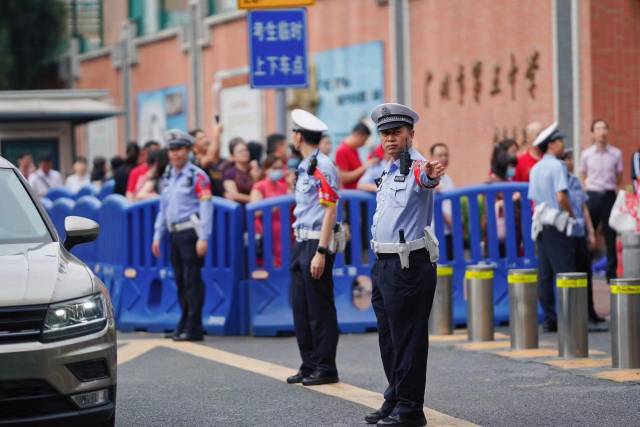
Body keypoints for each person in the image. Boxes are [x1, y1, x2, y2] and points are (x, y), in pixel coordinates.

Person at [366, 103, 445, 427]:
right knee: (389, 336)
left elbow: (425, 179)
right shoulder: (386, 170)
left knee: (408, 337)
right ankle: (396, 396)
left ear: (410, 134)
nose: (390, 139)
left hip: (408, 264)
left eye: (396, 132)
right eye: (385, 134)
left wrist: (429, 175)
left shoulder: (415, 165)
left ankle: (411, 409)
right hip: (384, 263)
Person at [285, 109, 340, 387]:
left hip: (316, 242)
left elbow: (329, 210)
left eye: (293, 132)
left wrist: (320, 251)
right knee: (301, 307)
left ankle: (326, 366)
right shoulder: (305, 164)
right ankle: (309, 364)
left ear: (299, 136)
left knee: (319, 308)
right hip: (301, 240)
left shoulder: (323, 166)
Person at [151, 130, 213, 342]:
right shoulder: (168, 176)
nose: (174, 154)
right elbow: (163, 208)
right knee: (180, 280)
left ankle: (194, 327)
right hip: (174, 233)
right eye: (171, 150)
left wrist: (203, 237)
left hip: (190, 233)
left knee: (192, 281)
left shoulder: (197, 176)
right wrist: (157, 235)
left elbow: (206, 208)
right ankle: (185, 322)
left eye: (179, 149)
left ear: (188, 150)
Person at [528, 122, 575, 333]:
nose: (563, 145)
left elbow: (534, 199)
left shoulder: (535, 168)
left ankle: (549, 319)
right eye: (560, 141)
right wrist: (571, 215)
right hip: (557, 222)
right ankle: (570, 318)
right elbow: (561, 196)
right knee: (565, 271)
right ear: (552, 145)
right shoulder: (558, 166)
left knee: (545, 274)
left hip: (541, 223)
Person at [562, 149, 605, 327]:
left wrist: (591, 232)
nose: (570, 162)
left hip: (580, 232)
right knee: (571, 274)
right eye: (567, 159)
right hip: (566, 234)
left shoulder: (575, 181)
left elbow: (584, 207)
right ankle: (575, 316)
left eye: (572, 158)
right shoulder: (558, 182)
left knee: (586, 272)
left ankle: (591, 312)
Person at [580, 119, 623, 282]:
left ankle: (611, 274)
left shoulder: (616, 153)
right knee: (589, 234)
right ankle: (586, 270)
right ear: (592, 132)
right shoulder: (586, 154)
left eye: (605, 128)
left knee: (610, 235)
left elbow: (618, 176)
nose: (602, 132)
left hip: (609, 195)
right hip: (592, 195)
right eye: (598, 128)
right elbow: (583, 174)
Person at [250, 155, 290, 267]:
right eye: (274, 167)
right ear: (266, 169)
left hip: (283, 232)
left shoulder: (283, 186)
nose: (277, 171)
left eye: (280, 168)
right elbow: (254, 211)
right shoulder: (259, 186)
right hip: (267, 233)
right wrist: (273, 208)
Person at [430, 143, 455, 260]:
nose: (444, 158)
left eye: (446, 155)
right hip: (433, 233)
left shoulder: (448, 179)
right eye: (440, 155)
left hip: (448, 233)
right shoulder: (428, 179)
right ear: (432, 158)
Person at [335, 122, 378, 189]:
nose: (364, 143)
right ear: (358, 135)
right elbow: (343, 178)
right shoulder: (342, 151)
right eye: (364, 140)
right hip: (351, 195)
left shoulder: (354, 149)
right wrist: (365, 166)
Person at [190, 126, 227, 198]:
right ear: (193, 147)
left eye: (205, 137)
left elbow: (215, 151)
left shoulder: (213, 159)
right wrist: (217, 133)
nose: (206, 140)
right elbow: (210, 157)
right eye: (201, 139)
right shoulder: (196, 162)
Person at [223, 138, 255, 204]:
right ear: (232, 156)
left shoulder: (253, 169)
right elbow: (233, 195)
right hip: (240, 209)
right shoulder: (230, 173)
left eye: (246, 150)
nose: (244, 153)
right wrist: (253, 199)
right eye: (240, 151)